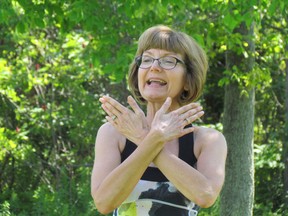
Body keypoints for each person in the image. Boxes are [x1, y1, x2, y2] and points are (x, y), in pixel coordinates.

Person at [91, 25, 227, 216]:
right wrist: (151, 139)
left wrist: (143, 138)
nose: (154, 66)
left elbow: (205, 196)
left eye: (169, 60)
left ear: (188, 79)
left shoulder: (207, 140)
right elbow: (104, 202)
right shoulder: (112, 133)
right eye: (146, 59)